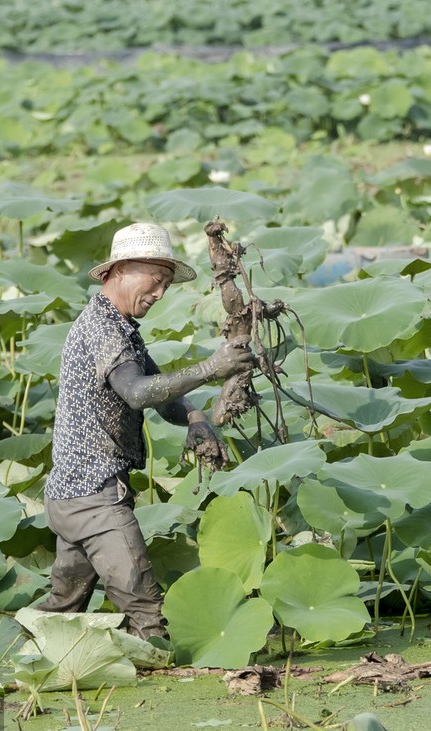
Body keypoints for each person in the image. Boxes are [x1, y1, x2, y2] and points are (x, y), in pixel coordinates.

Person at [39, 222, 255, 639]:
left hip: (70, 494)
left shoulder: (118, 327)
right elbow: (138, 393)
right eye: (155, 281)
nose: (159, 294)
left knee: (61, 614)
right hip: (94, 496)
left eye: (166, 285)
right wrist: (212, 368)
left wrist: (194, 417)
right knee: (147, 613)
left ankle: (14, 660)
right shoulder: (102, 329)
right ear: (118, 270)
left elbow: (159, 391)